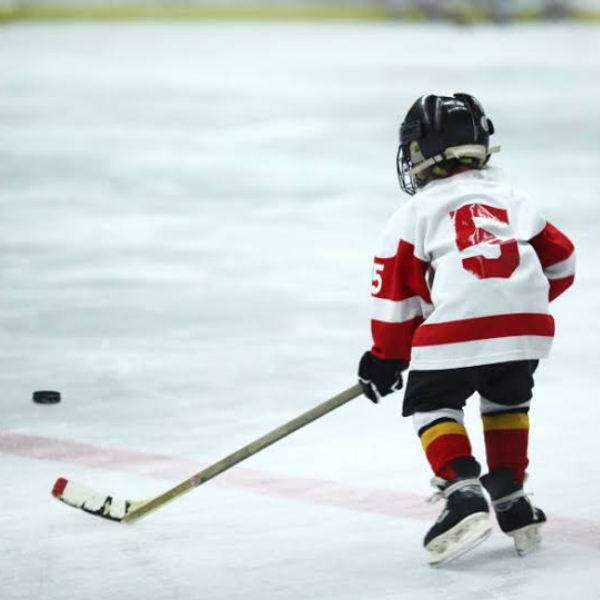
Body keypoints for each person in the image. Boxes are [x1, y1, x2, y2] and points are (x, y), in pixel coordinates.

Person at [358, 93, 575, 565]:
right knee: (506, 400)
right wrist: (518, 300)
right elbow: (563, 260)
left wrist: (386, 357)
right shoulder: (513, 199)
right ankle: (511, 496)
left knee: (434, 402)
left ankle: (462, 492)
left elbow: (394, 298)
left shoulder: (413, 215)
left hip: (458, 332)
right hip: (524, 331)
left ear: (420, 153)